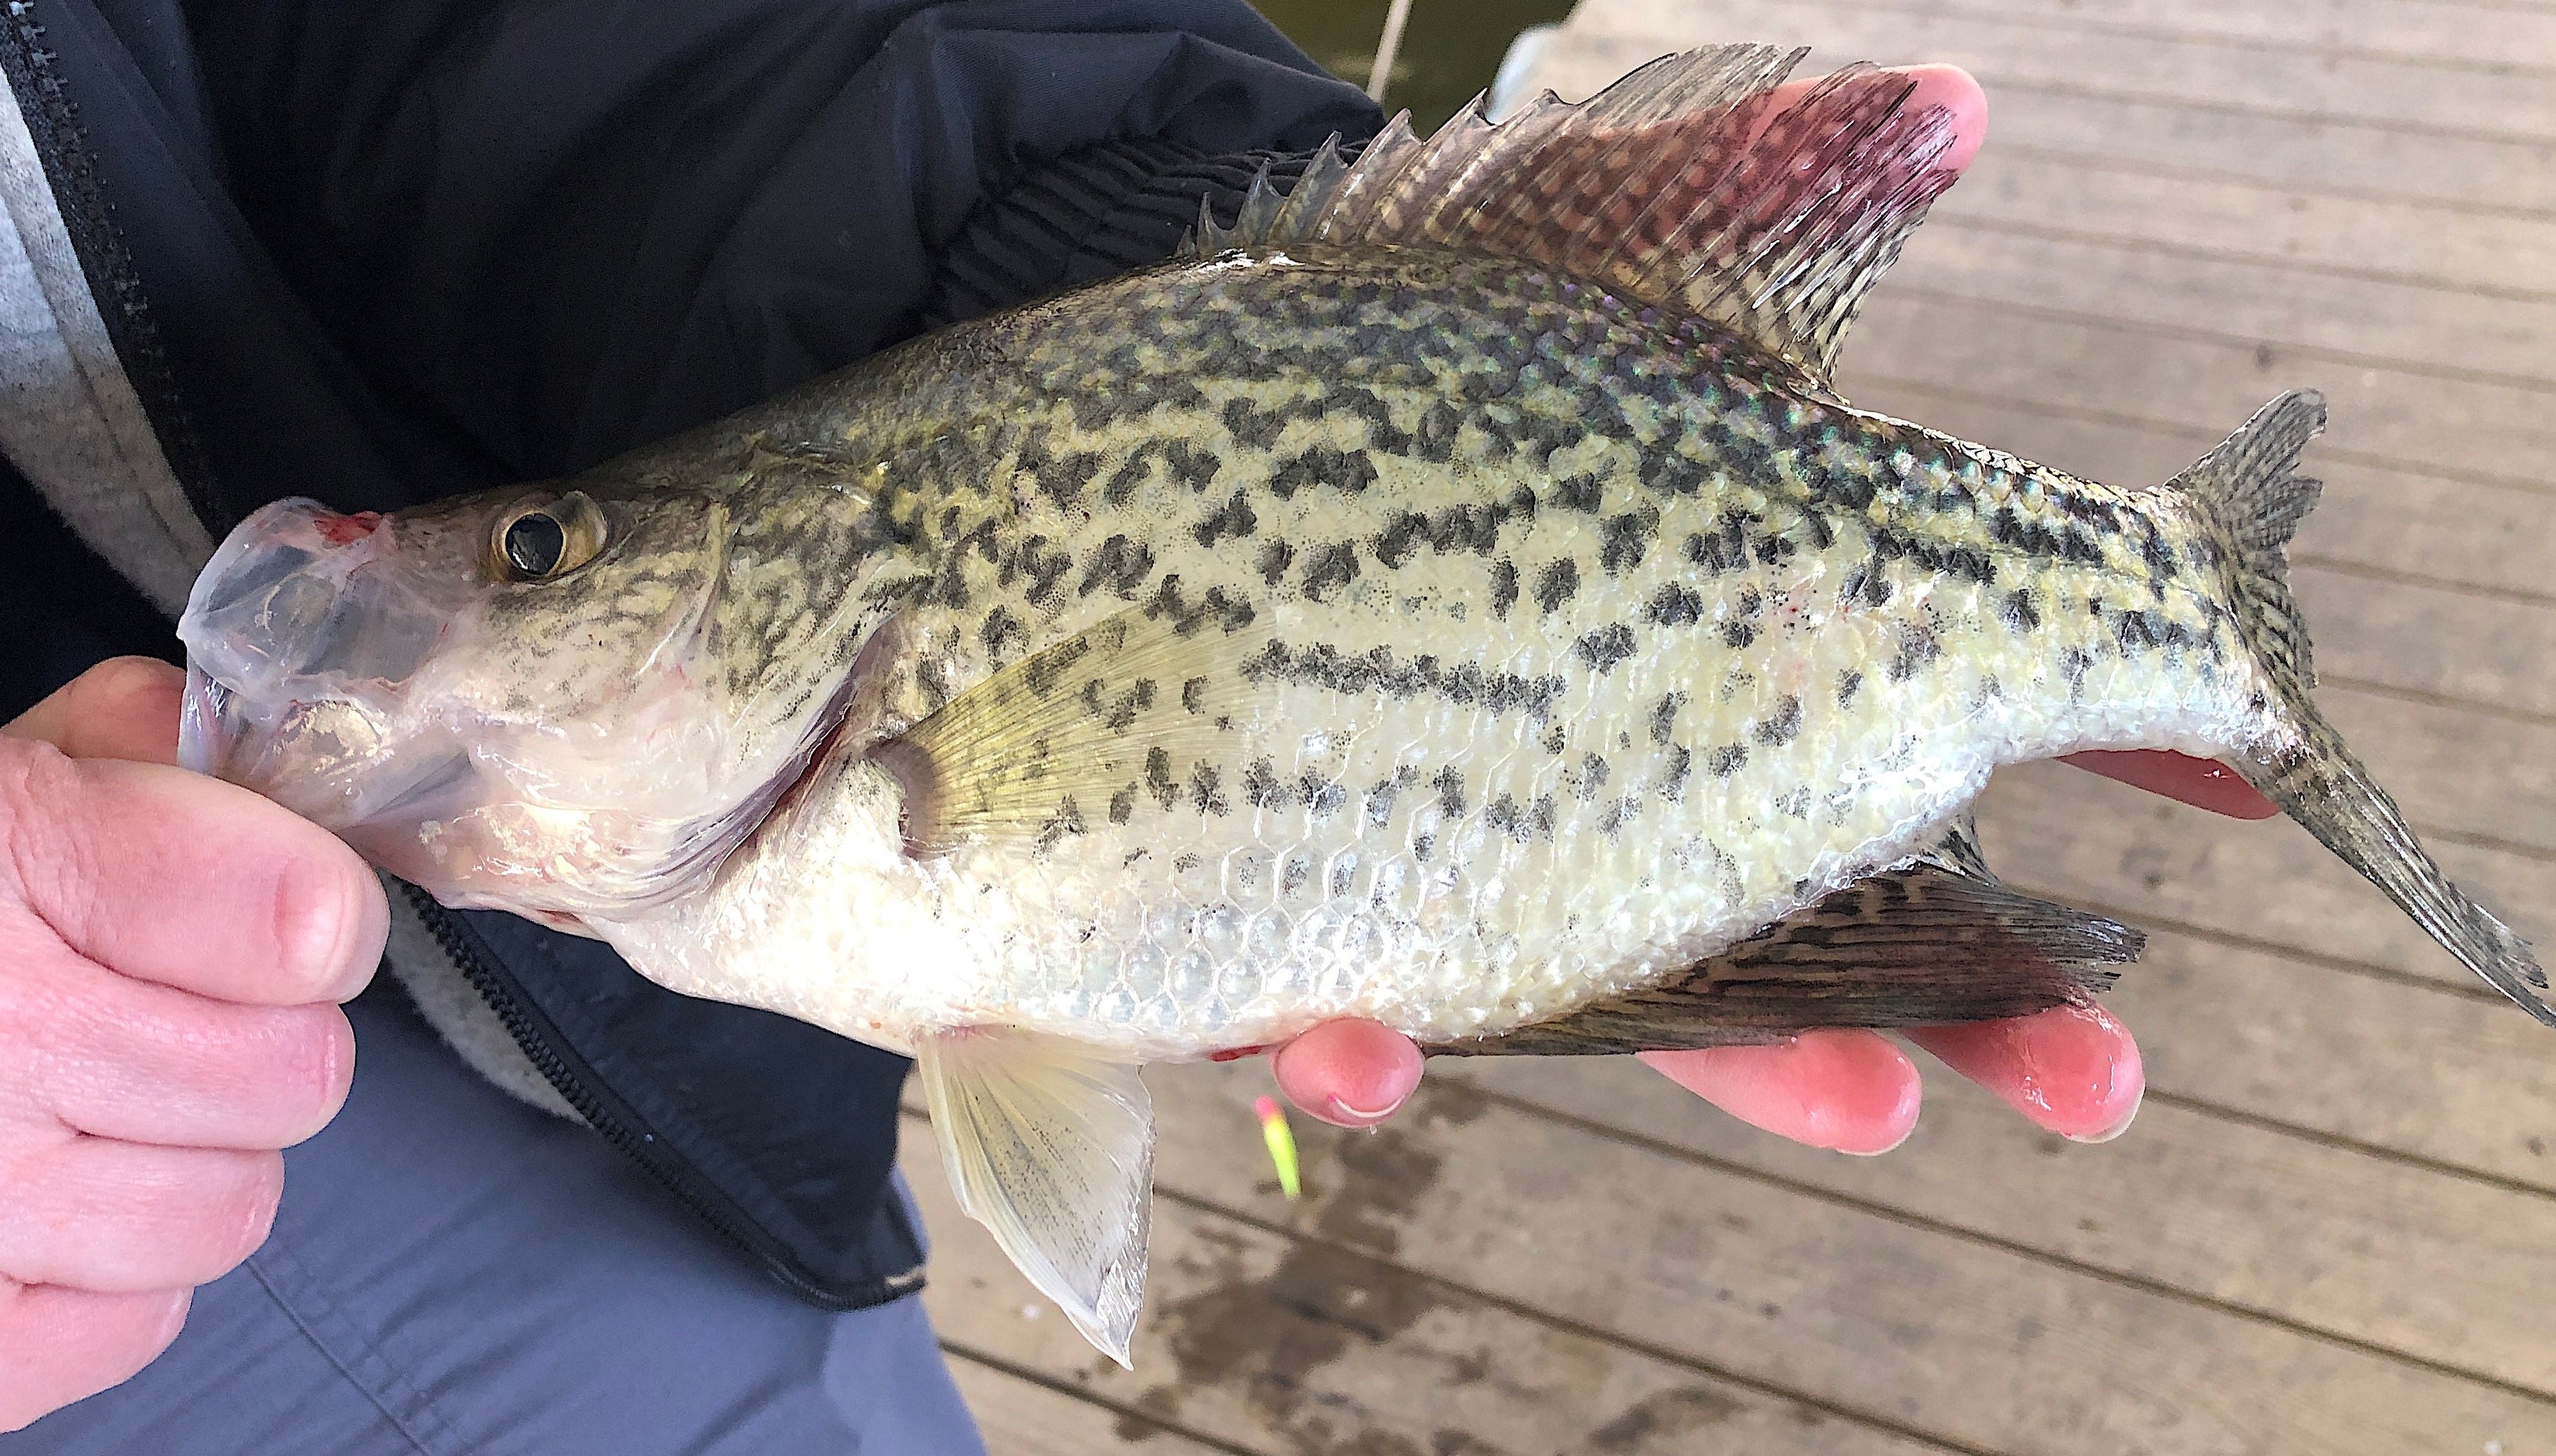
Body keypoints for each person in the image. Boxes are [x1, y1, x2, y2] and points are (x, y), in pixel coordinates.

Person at [0, 0, 2241, 1446]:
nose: (476, 581)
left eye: (548, 558)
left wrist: (1081, 248)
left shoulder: (797, 777)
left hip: (604, 1106)